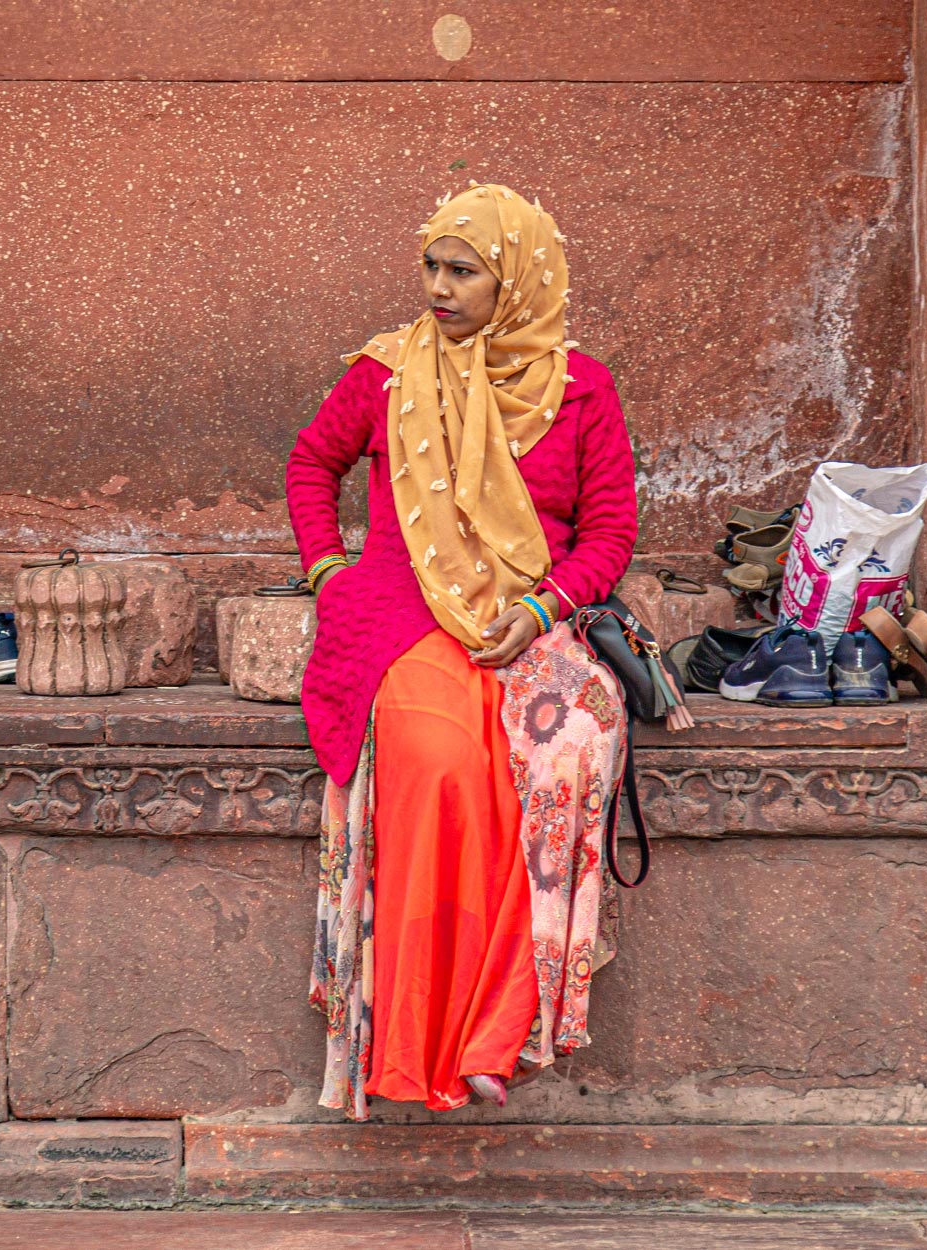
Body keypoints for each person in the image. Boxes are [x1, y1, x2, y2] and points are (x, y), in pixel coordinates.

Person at [287, 183, 637, 1118]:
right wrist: (328, 572)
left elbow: (609, 532)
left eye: (462, 270)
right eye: (431, 266)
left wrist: (545, 605)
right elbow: (311, 462)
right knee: (442, 765)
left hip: (528, 619)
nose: (438, 287)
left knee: (561, 757)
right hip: (404, 615)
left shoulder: (581, 388)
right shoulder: (390, 372)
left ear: (515, 280)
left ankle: (504, 1033)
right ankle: (416, 1042)